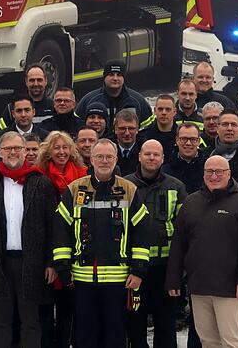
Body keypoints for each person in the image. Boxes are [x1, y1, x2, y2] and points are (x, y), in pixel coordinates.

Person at [53, 139, 152, 348]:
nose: (104, 161)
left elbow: (142, 233)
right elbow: (60, 230)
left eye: (109, 156)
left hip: (119, 279)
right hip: (81, 280)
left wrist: (139, 271)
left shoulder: (129, 190)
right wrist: (62, 267)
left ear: (116, 159)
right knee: (84, 335)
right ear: (91, 159)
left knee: (115, 335)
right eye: (99, 156)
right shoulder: (74, 190)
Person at [0, 132, 57, 348]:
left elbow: (53, 226)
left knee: (31, 321)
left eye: (17, 148)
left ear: (25, 152)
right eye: (8, 148)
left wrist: (51, 262)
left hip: (32, 264)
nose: (13, 152)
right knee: (0, 321)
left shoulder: (41, 183)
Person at [166, 155, 238, 348]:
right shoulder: (191, 203)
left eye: (219, 172)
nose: (214, 176)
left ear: (229, 174)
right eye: (209, 171)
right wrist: (174, 278)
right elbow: (179, 243)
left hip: (230, 287)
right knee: (208, 341)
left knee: (231, 341)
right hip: (198, 286)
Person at [126, 140, 186, 348]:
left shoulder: (176, 187)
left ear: (163, 158)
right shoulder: (125, 186)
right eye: (148, 154)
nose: (152, 158)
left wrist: (179, 268)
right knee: (135, 325)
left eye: (156, 154)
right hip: (134, 270)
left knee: (166, 326)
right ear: (139, 156)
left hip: (165, 269)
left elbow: (183, 230)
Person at [37, 130, 88, 347]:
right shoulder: (38, 177)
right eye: (56, 147)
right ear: (48, 151)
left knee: (70, 309)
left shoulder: (83, 175)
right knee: (46, 310)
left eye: (65, 147)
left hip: (75, 247)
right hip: (46, 248)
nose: (61, 151)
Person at [74, 60, 154, 129]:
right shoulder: (89, 100)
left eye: (119, 75)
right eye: (111, 74)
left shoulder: (138, 101)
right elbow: (77, 125)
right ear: (104, 77)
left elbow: (148, 128)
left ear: (124, 78)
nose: (115, 78)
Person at [0, 64, 55, 130]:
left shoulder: (54, 107)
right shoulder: (11, 108)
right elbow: (0, 133)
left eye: (39, 80)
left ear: (46, 81)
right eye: (32, 80)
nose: (36, 84)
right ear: (26, 82)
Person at [211, 110, 238, 182]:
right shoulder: (205, 155)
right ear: (217, 128)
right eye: (225, 124)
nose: (229, 128)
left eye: (233, 125)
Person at [164, 123, 205, 194]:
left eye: (193, 139)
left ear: (198, 141)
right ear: (177, 140)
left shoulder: (207, 168)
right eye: (184, 139)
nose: (188, 143)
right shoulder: (165, 170)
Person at [114, 109, 142, 175]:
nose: (127, 133)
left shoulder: (144, 149)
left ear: (137, 129)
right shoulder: (107, 149)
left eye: (131, 128)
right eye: (122, 128)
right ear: (115, 129)